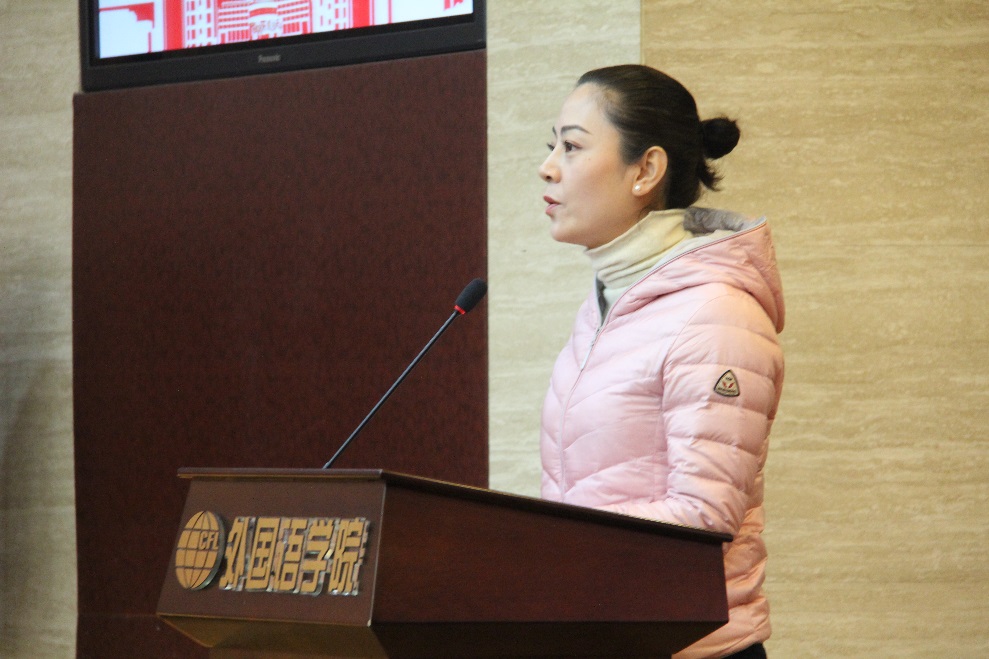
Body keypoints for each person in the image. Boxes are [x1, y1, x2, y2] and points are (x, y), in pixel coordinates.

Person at [538, 64, 785, 659]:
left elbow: (705, 514)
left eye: (572, 147)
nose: (548, 167)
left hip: (693, 647)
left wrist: (541, 548)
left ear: (646, 170)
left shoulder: (714, 313)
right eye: (552, 146)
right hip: (607, 633)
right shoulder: (609, 304)